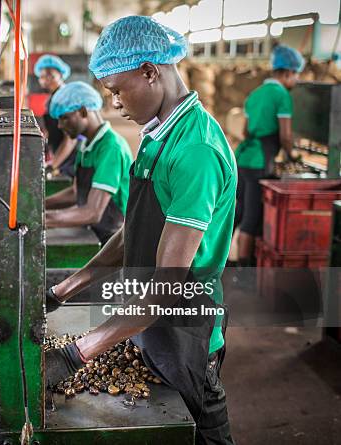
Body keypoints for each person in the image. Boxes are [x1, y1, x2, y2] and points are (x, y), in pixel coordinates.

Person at [44, 16, 236, 445]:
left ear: (151, 71)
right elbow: (135, 231)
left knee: (203, 430)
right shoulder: (155, 137)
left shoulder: (195, 152)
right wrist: (62, 291)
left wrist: (76, 354)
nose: (112, 103)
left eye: (116, 90)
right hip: (146, 322)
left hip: (186, 327)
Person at [234, 45, 304, 267]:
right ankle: (244, 270)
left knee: (239, 211)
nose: (295, 81)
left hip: (243, 158)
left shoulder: (254, 94)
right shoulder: (282, 96)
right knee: (252, 219)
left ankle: (216, 260)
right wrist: (293, 155)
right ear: (287, 73)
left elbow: (245, 131)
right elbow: (285, 135)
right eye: (296, 75)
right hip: (259, 163)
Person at [45, 81, 132, 245]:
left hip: (115, 238)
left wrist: (44, 219)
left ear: (83, 111)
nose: (60, 125)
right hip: (94, 231)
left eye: (64, 118)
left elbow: (93, 212)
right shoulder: (85, 144)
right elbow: (76, 192)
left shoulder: (111, 148)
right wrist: (40, 205)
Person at [34, 54, 78, 177]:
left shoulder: (64, 98)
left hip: (72, 158)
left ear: (61, 75)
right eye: (42, 76)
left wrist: (53, 165)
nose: (46, 80)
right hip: (61, 153)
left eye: (50, 76)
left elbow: (71, 139)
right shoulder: (52, 99)